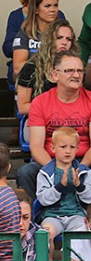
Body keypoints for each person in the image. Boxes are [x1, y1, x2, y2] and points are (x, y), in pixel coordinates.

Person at [17, 51, 91, 200]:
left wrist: (81, 168)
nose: (76, 75)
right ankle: (33, 219)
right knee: (26, 172)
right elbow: (36, 146)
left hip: (84, 160)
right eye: (69, 70)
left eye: (79, 71)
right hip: (50, 160)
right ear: (55, 75)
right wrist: (55, 169)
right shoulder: (40, 102)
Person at [35, 126, 91, 243]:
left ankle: (73, 260)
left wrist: (79, 186)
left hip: (77, 215)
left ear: (77, 149)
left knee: (81, 235)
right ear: (53, 148)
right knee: (45, 235)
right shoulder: (45, 173)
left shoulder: (84, 172)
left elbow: (89, 198)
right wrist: (59, 186)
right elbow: (43, 199)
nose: (68, 151)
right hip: (52, 215)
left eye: (72, 147)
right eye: (63, 147)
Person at [19, 20, 77, 116]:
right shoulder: (30, 68)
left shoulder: (75, 68)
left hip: (70, 118)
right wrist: (54, 108)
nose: (64, 42)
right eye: (59, 38)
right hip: (39, 118)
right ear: (49, 40)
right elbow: (23, 107)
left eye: (68, 39)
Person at [2, 0, 58, 67]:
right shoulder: (15, 16)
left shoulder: (57, 14)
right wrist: (24, 46)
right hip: (25, 63)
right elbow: (7, 49)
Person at [13, 0, 61, 76]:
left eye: (56, 5)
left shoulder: (62, 33)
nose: (53, 10)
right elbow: (18, 68)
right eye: (47, 6)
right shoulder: (24, 35)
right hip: (32, 82)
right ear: (36, 9)